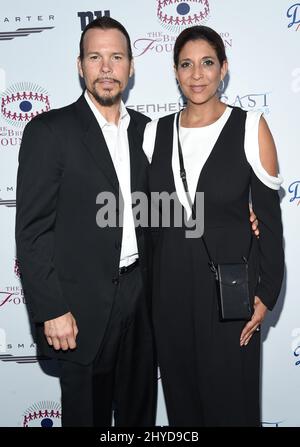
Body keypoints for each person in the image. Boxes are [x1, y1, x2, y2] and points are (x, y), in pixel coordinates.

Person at [15, 16, 157, 427]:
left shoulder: (148, 132)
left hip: (142, 301)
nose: (107, 68)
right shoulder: (49, 131)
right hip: (79, 310)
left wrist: (242, 216)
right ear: (80, 65)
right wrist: (52, 308)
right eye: (96, 57)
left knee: (139, 420)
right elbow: (32, 230)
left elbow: (173, 209)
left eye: (116, 57)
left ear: (131, 67)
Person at [143, 25, 284, 426]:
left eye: (207, 63)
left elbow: (270, 225)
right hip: (169, 299)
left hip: (231, 300)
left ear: (224, 68)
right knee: (184, 413)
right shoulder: (155, 133)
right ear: (175, 72)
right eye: (186, 65)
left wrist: (266, 295)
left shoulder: (250, 126)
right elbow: (151, 216)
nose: (197, 74)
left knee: (232, 411)